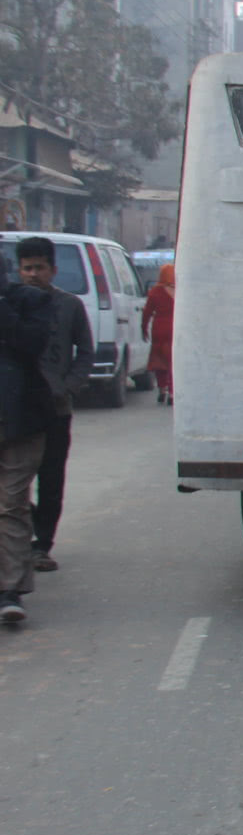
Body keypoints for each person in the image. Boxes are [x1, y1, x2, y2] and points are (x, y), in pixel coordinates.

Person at [16, 239, 91, 573]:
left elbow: (85, 352)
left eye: (40, 268)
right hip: (16, 410)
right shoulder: (11, 305)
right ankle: (20, 535)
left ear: (53, 270)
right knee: (13, 480)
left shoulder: (69, 305)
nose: (33, 274)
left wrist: (67, 387)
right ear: (19, 271)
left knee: (50, 479)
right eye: (27, 268)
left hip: (55, 409)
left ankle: (42, 545)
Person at [0, 267, 54, 626]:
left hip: (21, 422)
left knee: (10, 504)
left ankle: (10, 590)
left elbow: (30, 344)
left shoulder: (31, 301)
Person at [142, 262, 175, 404]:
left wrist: (143, 328)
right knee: (173, 361)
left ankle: (162, 390)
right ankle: (173, 393)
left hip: (159, 329)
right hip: (175, 328)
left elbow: (147, 312)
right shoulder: (181, 291)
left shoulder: (155, 291)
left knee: (160, 360)